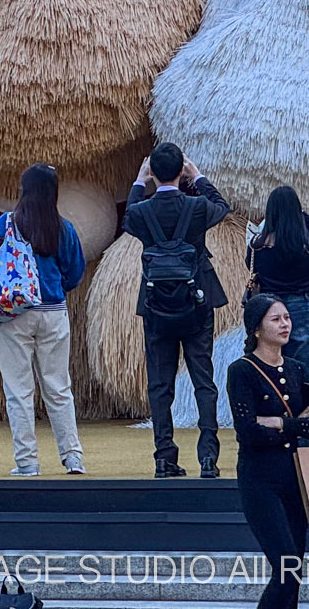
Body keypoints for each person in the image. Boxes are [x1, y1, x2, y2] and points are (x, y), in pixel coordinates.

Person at [123, 142, 230, 479]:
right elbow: (221, 207)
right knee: (203, 380)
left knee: (160, 384)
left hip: (156, 304)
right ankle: (209, 458)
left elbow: (128, 216)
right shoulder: (197, 206)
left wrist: (140, 183)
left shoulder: (141, 212)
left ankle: (164, 457)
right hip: (197, 299)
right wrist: (198, 177)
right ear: (181, 171)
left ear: (152, 171)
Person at [0, 163, 88, 476]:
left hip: (15, 312)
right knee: (58, 387)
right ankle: (72, 457)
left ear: (24, 190)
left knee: (18, 391)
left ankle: (27, 462)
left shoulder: (7, 222)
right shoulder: (63, 227)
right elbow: (75, 271)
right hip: (53, 310)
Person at [227, 294, 309, 609]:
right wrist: (295, 423)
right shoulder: (242, 371)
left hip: (295, 479)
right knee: (287, 569)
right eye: (276, 319)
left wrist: (279, 423)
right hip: (260, 480)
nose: (285, 324)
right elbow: (248, 432)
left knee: (294, 573)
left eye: (286, 317)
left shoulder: (298, 369)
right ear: (257, 328)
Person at [247, 186, 309, 387]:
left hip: (267, 307)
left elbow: (250, 265)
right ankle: (308, 413)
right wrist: (299, 213)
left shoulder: (258, 244)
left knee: (267, 362)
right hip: (299, 305)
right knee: (305, 366)